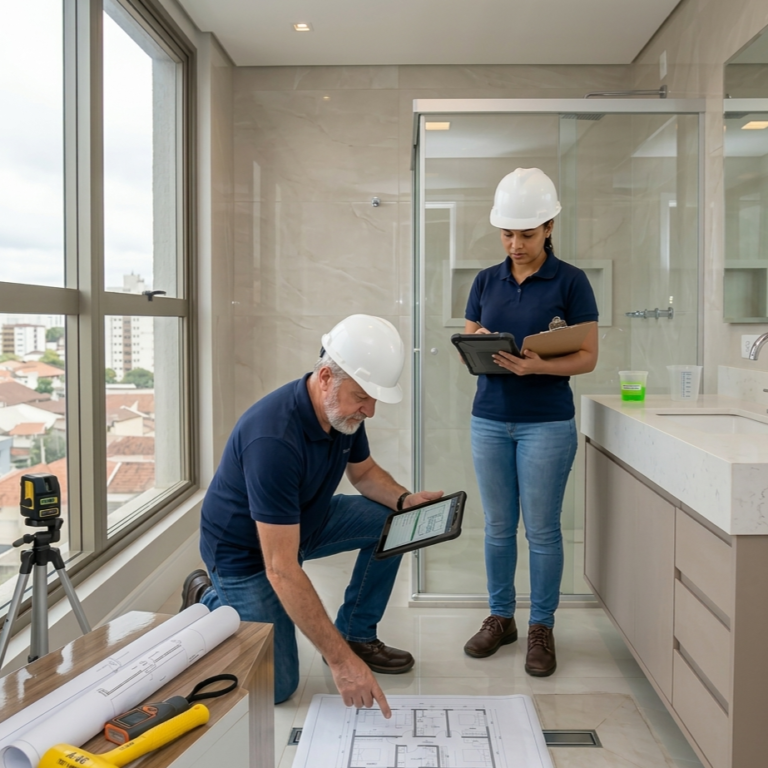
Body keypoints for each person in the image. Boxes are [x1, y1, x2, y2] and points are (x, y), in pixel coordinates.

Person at [182, 314, 442, 715]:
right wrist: (341, 664)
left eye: (373, 399)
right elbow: (281, 568)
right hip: (246, 556)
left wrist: (405, 502)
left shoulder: (343, 412)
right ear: (325, 377)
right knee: (278, 687)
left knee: (396, 526)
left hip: (304, 521)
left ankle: (355, 633)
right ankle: (209, 595)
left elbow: (366, 474)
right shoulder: (272, 440)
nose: (369, 410)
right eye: (363, 397)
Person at [462, 168, 598, 677]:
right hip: (490, 419)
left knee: (541, 531)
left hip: (546, 423)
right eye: (507, 234)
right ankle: (501, 619)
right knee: (497, 528)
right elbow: (467, 344)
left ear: (548, 227)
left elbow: (587, 356)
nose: (515, 244)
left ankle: (541, 626)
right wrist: (481, 343)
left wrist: (540, 365)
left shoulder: (572, 281)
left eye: (525, 233)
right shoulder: (485, 280)